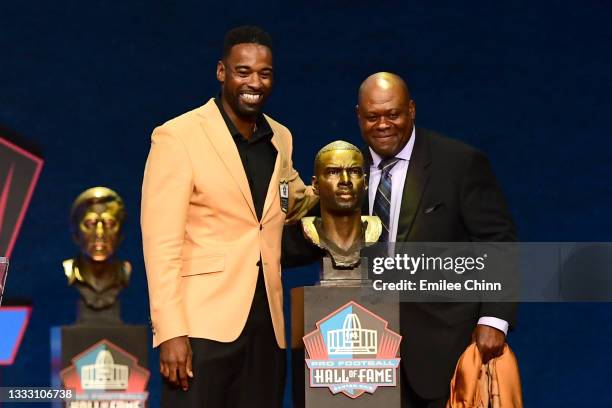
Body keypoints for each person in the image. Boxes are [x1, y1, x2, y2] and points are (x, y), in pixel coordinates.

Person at [141, 26, 314, 407]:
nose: (255, 82)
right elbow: (161, 245)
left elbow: (295, 202)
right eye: (243, 71)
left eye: (264, 73)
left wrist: (344, 179)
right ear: (222, 72)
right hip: (201, 327)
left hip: (267, 328)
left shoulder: (280, 137)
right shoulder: (178, 136)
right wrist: (170, 332)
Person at [356, 72, 517, 408]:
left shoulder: (458, 163)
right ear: (359, 116)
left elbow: (497, 240)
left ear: (411, 110)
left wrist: (494, 318)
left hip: (444, 349)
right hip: (367, 353)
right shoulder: (347, 172)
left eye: (393, 114)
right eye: (373, 116)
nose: (383, 124)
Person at [63, 186, 131, 319]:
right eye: (90, 223)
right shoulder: (68, 270)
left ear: (121, 233)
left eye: (109, 223)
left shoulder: (126, 272)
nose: (100, 233)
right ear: (75, 233)